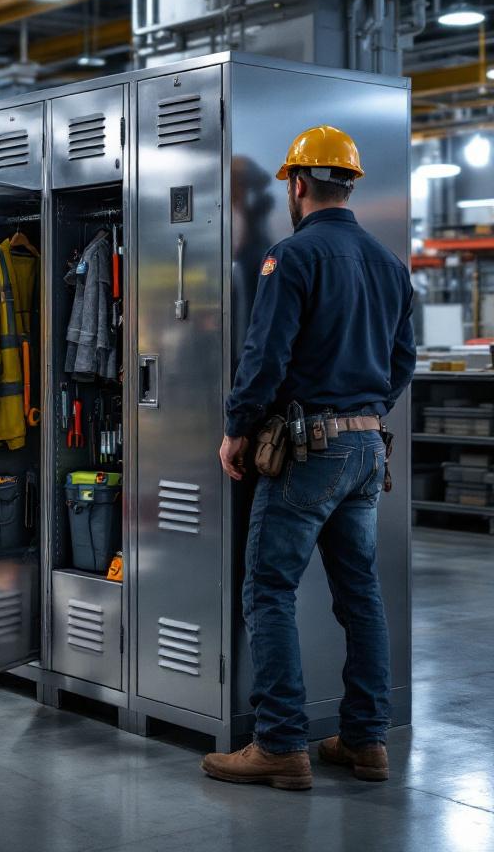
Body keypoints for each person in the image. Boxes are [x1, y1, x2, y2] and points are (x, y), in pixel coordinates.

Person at [202, 126, 415, 791]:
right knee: (360, 593)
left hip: (308, 450)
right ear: (348, 184)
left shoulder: (290, 258)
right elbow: (402, 363)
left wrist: (237, 429)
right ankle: (365, 740)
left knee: (269, 587)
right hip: (364, 449)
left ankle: (280, 743)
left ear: (297, 184)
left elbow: (264, 358)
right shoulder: (389, 265)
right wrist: (365, 412)